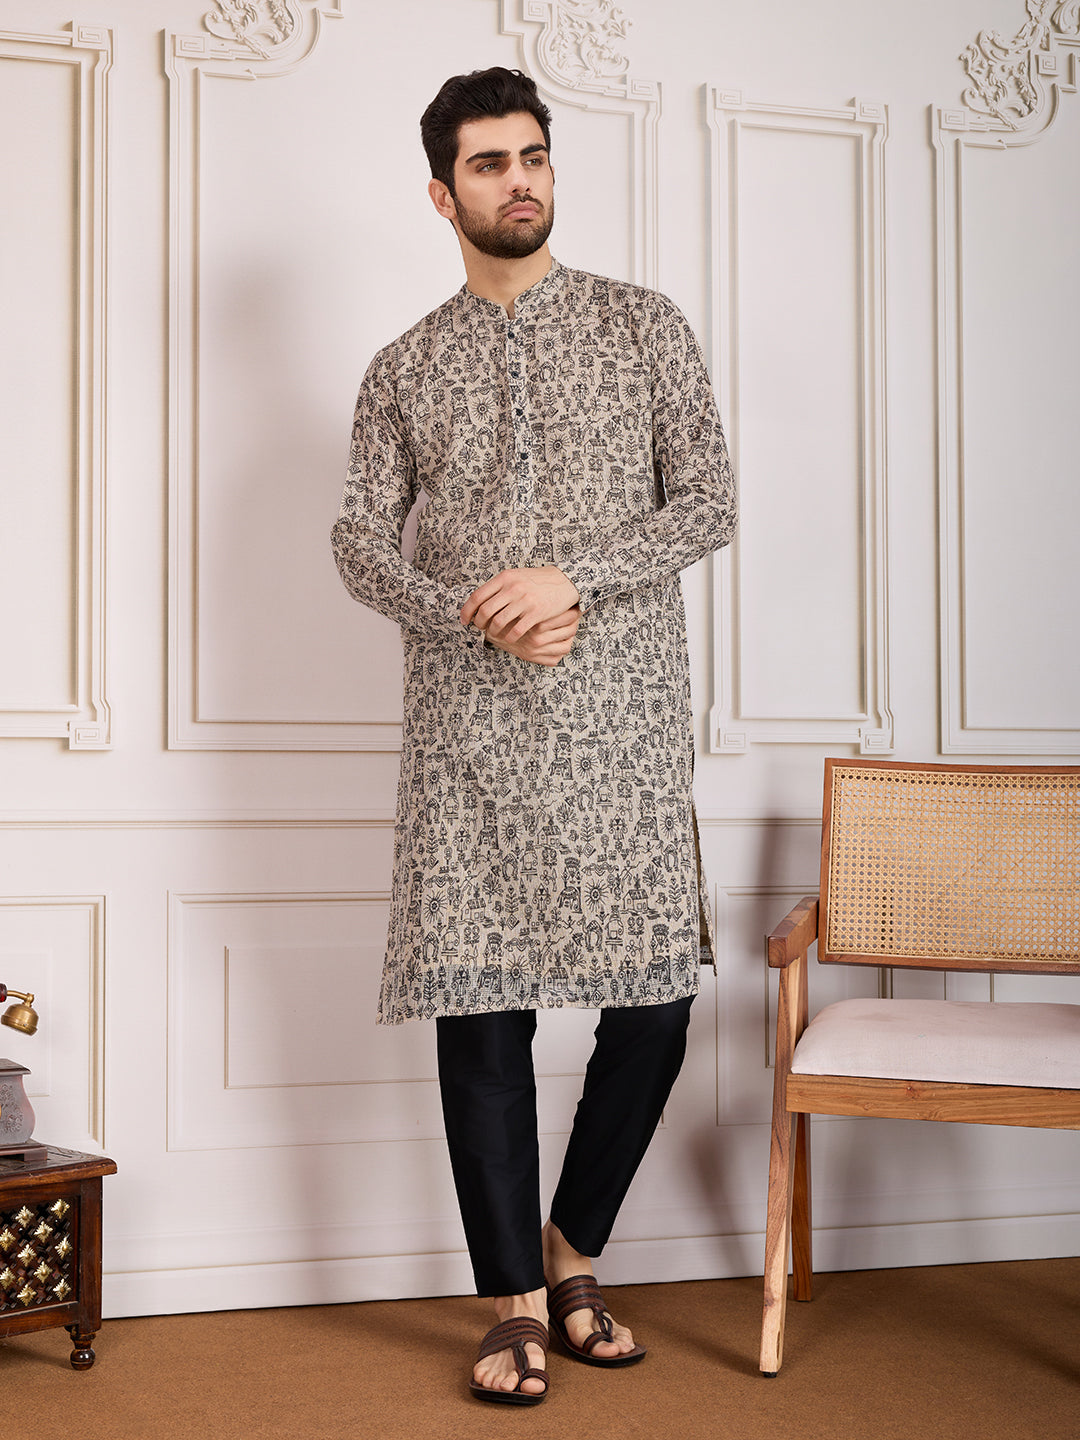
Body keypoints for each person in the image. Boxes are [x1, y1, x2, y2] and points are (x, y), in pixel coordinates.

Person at [331, 66, 736, 1405]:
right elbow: (356, 540)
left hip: (623, 722)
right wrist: (470, 612)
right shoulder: (405, 366)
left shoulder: (643, 326)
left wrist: (571, 579)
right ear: (441, 194)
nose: (520, 180)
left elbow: (708, 502)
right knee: (481, 1008)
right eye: (490, 163)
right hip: (469, 729)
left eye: (534, 156)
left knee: (655, 1006)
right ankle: (512, 1302)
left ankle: (573, 1251)